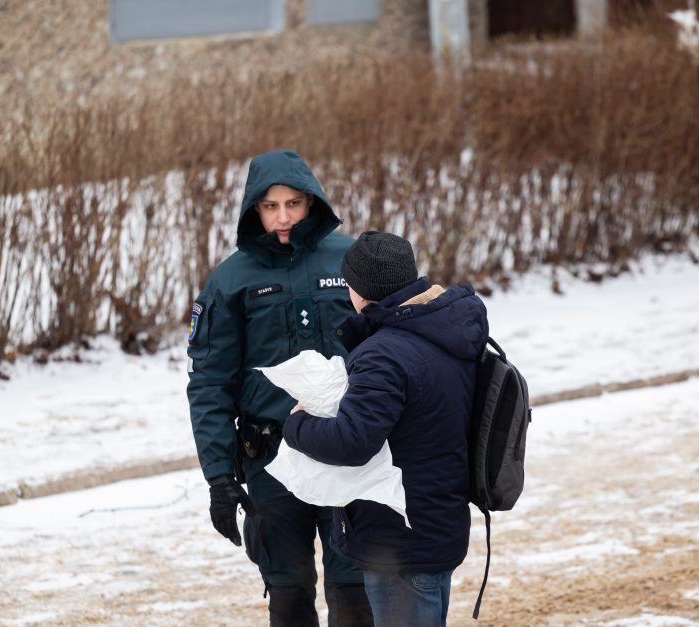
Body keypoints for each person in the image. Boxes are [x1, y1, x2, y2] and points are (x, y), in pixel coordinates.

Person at [187, 149, 374, 626]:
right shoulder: (231, 280)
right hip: (272, 460)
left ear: (312, 202)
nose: (284, 217)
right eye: (271, 207)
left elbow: (393, 353)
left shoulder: (353, 260)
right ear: (255, 210)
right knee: (289, 595)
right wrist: (219, 477)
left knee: (354, 591)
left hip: (349, 451)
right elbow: (209, 383)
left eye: (293, 203)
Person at [283, 231, 489, 627]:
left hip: (400, 541)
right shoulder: (443, 328)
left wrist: (297, 424)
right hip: (436, 522)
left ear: (358, 290)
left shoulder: (385, 353)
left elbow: (350, 443)